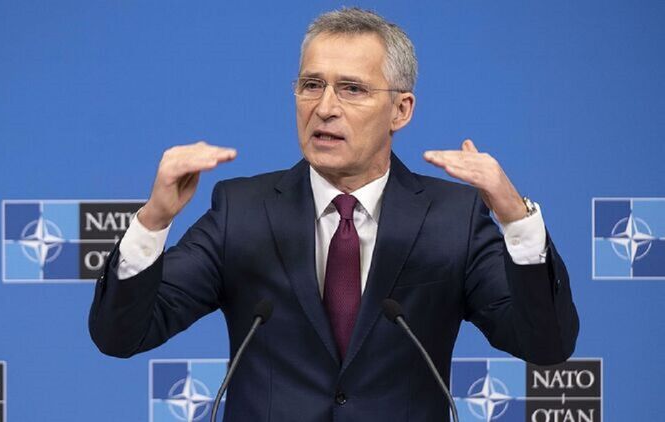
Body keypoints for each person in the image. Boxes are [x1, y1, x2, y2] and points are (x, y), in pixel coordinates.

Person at [89, 8, 578, 421]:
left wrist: (515, 218)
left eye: (351, 89)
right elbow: (121, 335)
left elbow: (546, 344)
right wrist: (153, 220)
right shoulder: (243, 211)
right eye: (311, 85)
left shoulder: (454, 218)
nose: (324, 108)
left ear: (401, 110)